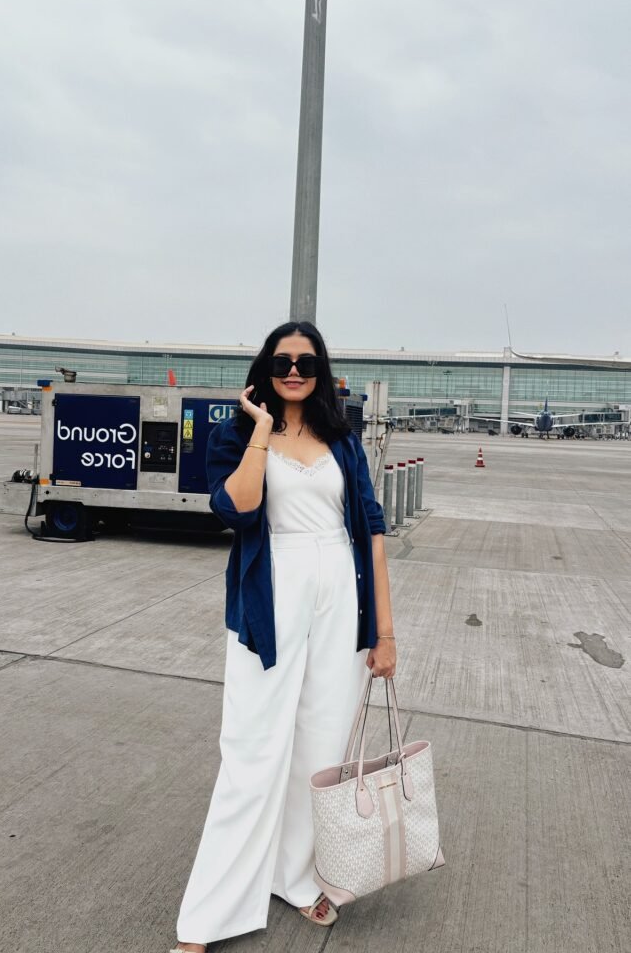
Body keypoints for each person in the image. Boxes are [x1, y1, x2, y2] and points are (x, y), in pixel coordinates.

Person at [170, 320, 396, 952]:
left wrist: (385, 631)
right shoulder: (237, 433)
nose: (294, 370)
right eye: (282, 361)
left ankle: (294, 877)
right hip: (271, 598)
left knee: (320, 750)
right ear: (265, 368)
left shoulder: (342, 439)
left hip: (341, 598)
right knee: (252, 754)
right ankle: (208, 918)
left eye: (306, 361)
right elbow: (237, 509)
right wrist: (261, 430)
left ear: (321, 370)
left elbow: (372, 530)